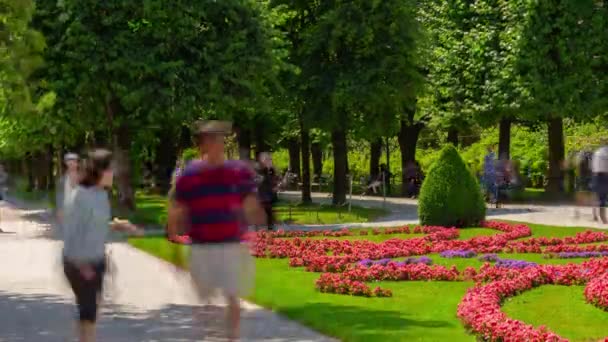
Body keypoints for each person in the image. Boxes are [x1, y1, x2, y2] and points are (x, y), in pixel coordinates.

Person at [167, 120, 265, 341]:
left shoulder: (238, 172)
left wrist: (256, 223)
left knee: (232, 297)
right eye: (209, 140)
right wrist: (173, 239)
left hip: (231, 244)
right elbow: (177, 209)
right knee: (207, 300)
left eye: (218, 139)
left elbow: (250, 203)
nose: (215, 144)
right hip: (202, 247)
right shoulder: (190, 176)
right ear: (202, 144)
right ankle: (210, 336)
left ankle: (232, 337)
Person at [60, 149, 142, 342]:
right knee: (89, 312)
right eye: (111, 169)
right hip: (78, 262)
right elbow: (72, 233)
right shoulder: (79, 196)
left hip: (95, 259)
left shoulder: (101, 195)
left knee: (90, 312)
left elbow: (93, 223)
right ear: (99, 171)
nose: (114, 173)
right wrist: (82, 265)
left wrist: (119, 225)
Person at [56, 153, 80, 225]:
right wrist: (59, 210)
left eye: (74, 161)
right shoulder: (62, 181)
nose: (71, 163)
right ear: (66, 163)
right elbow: (59, 196)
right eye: (69, 161)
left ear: (77, 163)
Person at [257, 152, 279, 230]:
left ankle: (269, 227)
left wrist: (276, 186)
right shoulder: (260, 170)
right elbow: (259, 181)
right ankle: (263, 228)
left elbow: (274, 181)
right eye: (267, 159)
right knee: (266, 211)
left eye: (270, 159)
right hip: (262, 195)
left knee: (269, 212)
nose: (270, 161)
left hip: (270, 196)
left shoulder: (272, 170)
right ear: (263, 160)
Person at [573, 150, 596, 220]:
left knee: (579, 195)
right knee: (592, 196)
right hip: (587, 177)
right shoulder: (590, 156)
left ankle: (577, 213)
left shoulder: (581, 156)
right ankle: (594, 215)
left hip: (582, 177)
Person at [591, 144, 608, 223]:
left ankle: (595, 215)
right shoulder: (605, 152)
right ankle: (603, 218)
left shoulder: (598, 152)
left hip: (596, 175)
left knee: (597, 196)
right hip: (604, 175)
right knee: (602, 197)